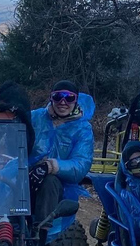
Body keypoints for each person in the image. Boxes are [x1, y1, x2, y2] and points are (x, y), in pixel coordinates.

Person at [28, 80, 94, 232]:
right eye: (58, 96)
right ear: (51, 98)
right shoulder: (35, 117)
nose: (63, 102)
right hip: (26, 175)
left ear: (76, 100)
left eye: (69, 97)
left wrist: (50, 166)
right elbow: (12, 129)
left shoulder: (82, 129)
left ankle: (40, 234)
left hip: (59, 186)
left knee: (49, 182)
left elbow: (81, 164)